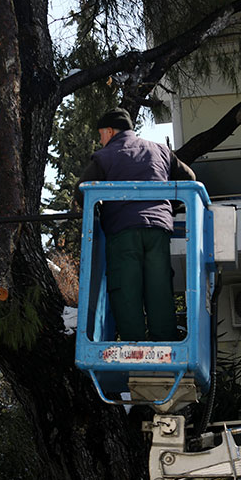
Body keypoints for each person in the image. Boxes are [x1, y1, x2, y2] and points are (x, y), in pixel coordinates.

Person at [75, 108, 196, 341]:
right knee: (159, 286)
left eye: (101, 134)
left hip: (123, 231)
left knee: (126, 288)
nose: (100, 140)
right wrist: (172, 206)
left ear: (110, 131)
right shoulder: (161, 150)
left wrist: (100, 209)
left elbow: (81, 192)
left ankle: (136, 346)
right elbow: (189, 178)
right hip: (158, 230)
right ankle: (165, 345)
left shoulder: (105, 156)